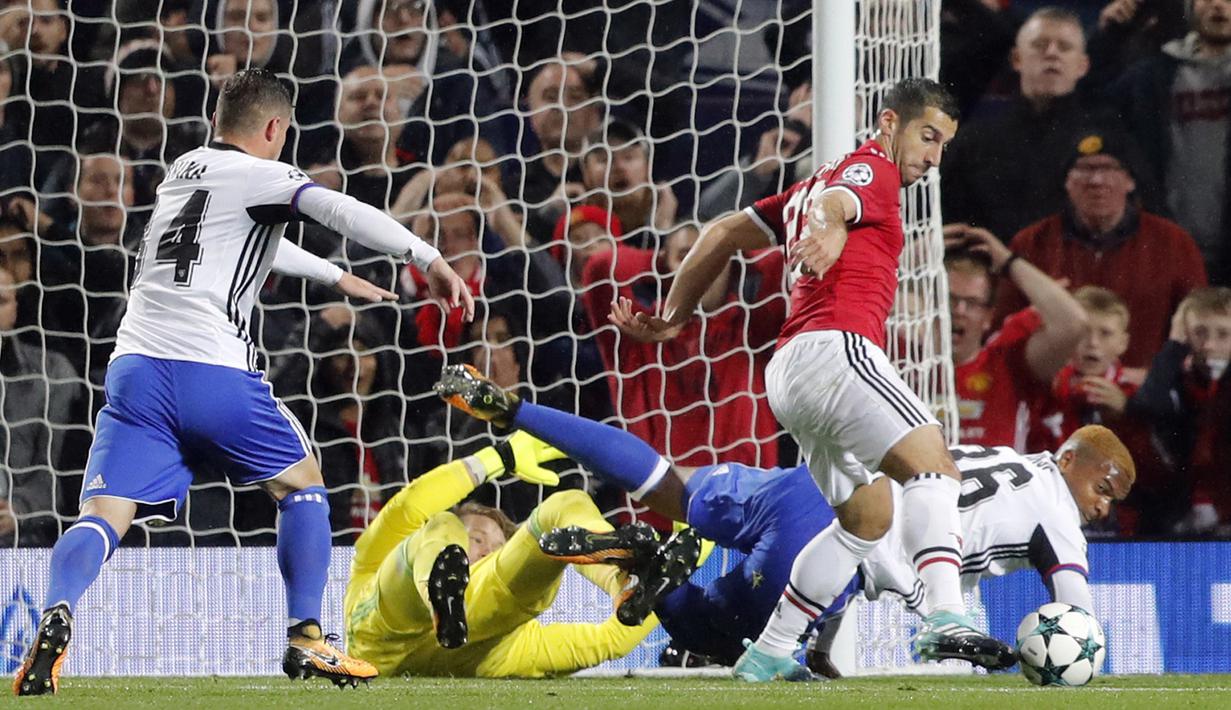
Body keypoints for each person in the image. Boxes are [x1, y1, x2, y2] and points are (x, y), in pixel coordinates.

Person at [12, 68, 474, 696]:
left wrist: (332, 276)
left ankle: (58, 611)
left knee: (103, 513)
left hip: (135, 369)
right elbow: (337, 208)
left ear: (216, 121)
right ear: (276, 127)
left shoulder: (183, 171)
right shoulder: (266, 175)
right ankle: (307, 635)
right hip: (211, 366)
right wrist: (427, 257)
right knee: (303, 486)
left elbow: (242, 239)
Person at [611, 79, 1015, 675]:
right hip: (837, 351)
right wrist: (829, 226)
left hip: (792, 372)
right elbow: (839, 203)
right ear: (890, 123)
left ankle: (770, 652)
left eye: (943, 145)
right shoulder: (871, 169)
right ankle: (945, 617)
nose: (933, 157)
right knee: (936, 469)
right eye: (928, 137)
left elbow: (722, 231)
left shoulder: (807, 185)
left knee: (865, 520)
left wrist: (674, 315)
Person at [436, 365, 1135, 676]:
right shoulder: (1057, 514)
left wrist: (826, 644)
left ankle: (516, 410)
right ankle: (639, 564)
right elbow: (1076, 616)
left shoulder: (1002, 456)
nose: (1103, 506)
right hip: (833, 541)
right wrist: (1073, 661)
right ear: (1070, 458)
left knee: (665, 482)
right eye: (1105, 487)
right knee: (713, 636)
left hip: (805, 487)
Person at [342, 428, 702, 678]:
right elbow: (408, 508)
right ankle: (439, 587)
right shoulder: (373, 561)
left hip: (474, 610)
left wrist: (691, 547)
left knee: (566, 503)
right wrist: (499, 457)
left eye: (498, 548)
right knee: (440, 525)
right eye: (477, 538)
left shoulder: (510, 644)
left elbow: (611, 639)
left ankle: (623, 580)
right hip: (387, 622)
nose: (487, 550)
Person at [993, 129, 1207, 369]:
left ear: (1130, 180)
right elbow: (1004, 332)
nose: (1096, 180)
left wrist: (1147, 381)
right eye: (1084, 169)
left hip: (1144, 387)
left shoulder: (1174, 243)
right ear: (1067, 181)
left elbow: (1199, 330)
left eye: (1109, 168)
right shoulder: (1031, 243)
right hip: (1050, 387)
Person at [941, 7, 1141, 241]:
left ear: (1083, 66)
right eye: (1040, 45)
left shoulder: (1111, 140)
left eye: (1064, 47)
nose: (1052, 54)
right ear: (1016, 59)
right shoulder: (974, 141)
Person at [1109, 0, 1231, 283]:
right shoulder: (1151, 75)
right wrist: (1110, 32)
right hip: (1169, 245)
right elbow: (1090, 100)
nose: (1218, 5)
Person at [944, 225, 1088, 448]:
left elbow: (1074, 323)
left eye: (972, 303)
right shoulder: (905, 360)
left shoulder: (1007, 364)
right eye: (950, 299)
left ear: (988, 317)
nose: (959, 311)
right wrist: (906, 259)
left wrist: (1008, 261)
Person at [1128, 288, 1231, 536]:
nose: (1209, 345)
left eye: (1223, 334)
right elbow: (1147, 405)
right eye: (1199, 332)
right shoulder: (1176, 378)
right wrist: (1173, 345)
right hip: (1176, 514)